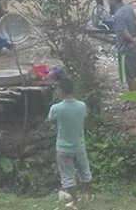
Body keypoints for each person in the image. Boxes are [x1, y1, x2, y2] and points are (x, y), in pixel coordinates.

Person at [47, 78, 93, 208]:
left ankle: (75, 201)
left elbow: (51, 120)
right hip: (79, 145)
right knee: (85, 171)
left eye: (57, 89)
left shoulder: (56, 108)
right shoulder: (82, 106)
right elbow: (84, 117)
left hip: (63, 147)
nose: (56, 92)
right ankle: (89, 195)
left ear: (62, 90)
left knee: (67, 175)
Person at [106, 0, 136, 91]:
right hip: (132, 49)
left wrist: (133, 41)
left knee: (129, 77)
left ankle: (133, 98)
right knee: (134, 75)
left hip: (124, 50)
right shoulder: (129, 8)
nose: (107, 1)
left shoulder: (118, 15)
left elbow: (124, 33)